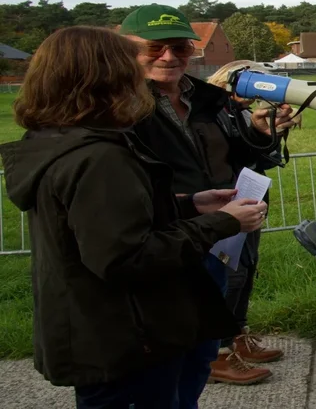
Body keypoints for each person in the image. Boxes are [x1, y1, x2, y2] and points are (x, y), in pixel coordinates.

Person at [0, 26, 267, 409]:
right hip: (127, 339)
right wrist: (224, 222)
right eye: (129, 68)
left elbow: (104, 222)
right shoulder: (99, 158)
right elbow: (126, 256)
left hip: (102, 331)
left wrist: (190, 204)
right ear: (106, 79)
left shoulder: (61, 142)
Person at [119, 5, 297, 391]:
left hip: (221, 221)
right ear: (127, 50)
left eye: (181, 48)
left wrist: (261, 133)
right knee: (168, 352)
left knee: (224, 296)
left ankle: (220, 348)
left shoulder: (208, 99)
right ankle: (217, 354)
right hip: (166, 234)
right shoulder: (120, 106)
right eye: (155, 48)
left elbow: (237, 155)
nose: (169, 57)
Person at [203, 60, 291, 369]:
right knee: (232, 274)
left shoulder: (240, 113)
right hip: (225, 203)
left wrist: (272, 133)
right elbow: (224, 158)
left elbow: (260, 160)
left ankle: (238, 334)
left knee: (247, 268)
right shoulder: (211, 113)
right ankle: (219, 350)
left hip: (250, 199)